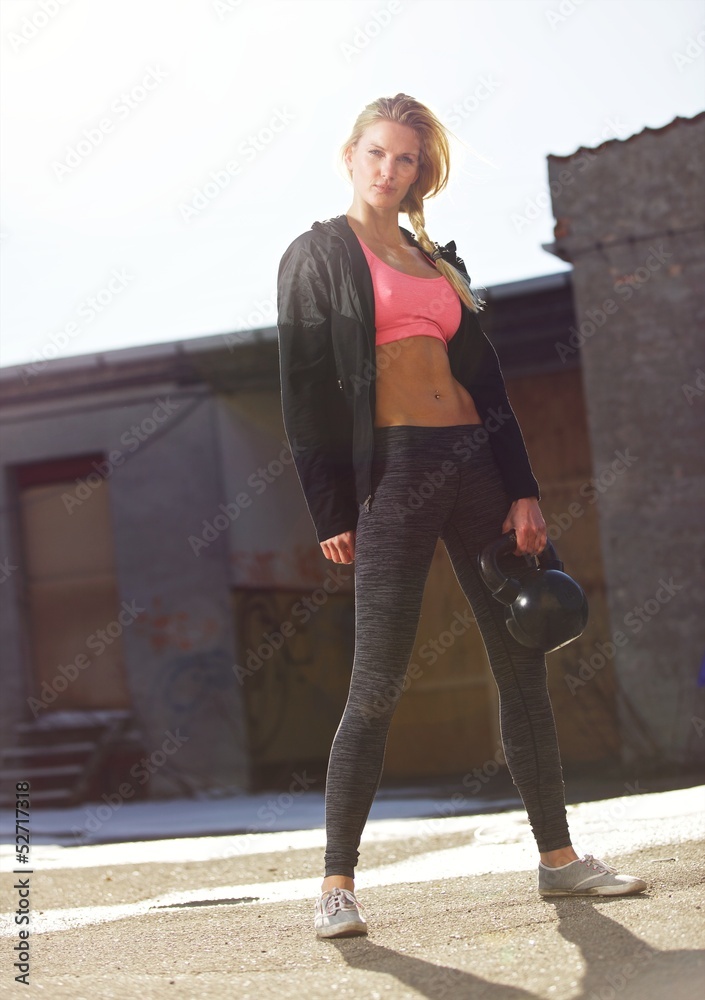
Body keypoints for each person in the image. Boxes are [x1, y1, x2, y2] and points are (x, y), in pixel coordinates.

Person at [276, 93, 647, 940]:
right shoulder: (315, 255)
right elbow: (302, 388)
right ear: (351, 154)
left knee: (522, 666)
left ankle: (558, 863)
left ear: (420, 172)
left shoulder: (441, 261)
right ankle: (337, 884)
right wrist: (332, 504)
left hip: (474, 466)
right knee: (377, 681)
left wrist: (522, 489)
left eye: (406, 159)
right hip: (393, 475)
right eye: (377, 152)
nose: (389, 170)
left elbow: (489, 386)